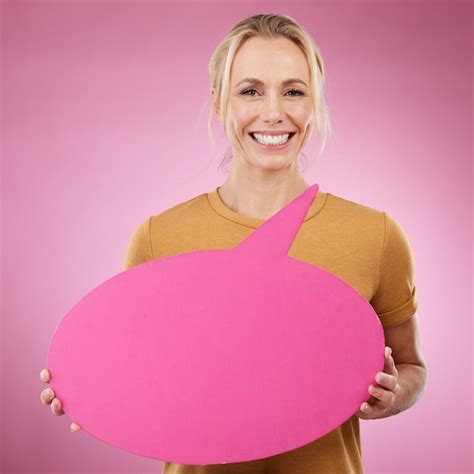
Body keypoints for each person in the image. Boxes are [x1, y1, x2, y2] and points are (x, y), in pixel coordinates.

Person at [39, 13, 428, 474]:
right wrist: (95, 394)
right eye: (250, 90)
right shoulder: (157, 239)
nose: (273, 112)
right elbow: (146, 376)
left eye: (293, 91)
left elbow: (411, 367)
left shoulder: (375, 236)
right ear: (220, 103)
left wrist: (393, 394)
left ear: (314, 103)